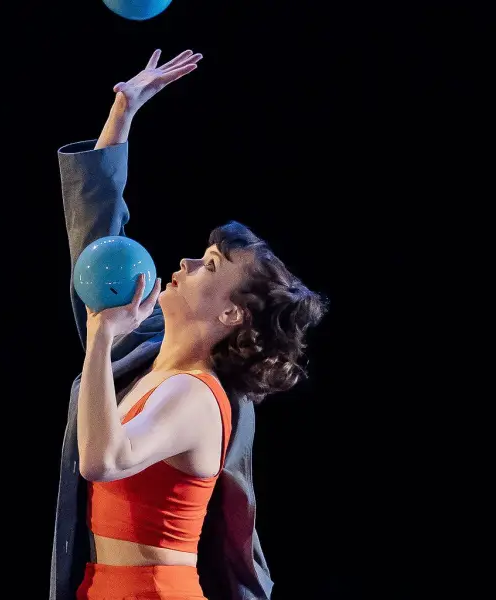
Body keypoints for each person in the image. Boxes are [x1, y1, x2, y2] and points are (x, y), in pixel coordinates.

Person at [50, 49, 328, 600]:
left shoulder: (196, 396)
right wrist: (121, 116)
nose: (186, 263)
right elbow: (100, 253)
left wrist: (102, 338)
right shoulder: (151, 356)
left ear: (231, 314)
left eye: (211, 265)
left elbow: (104, 460)